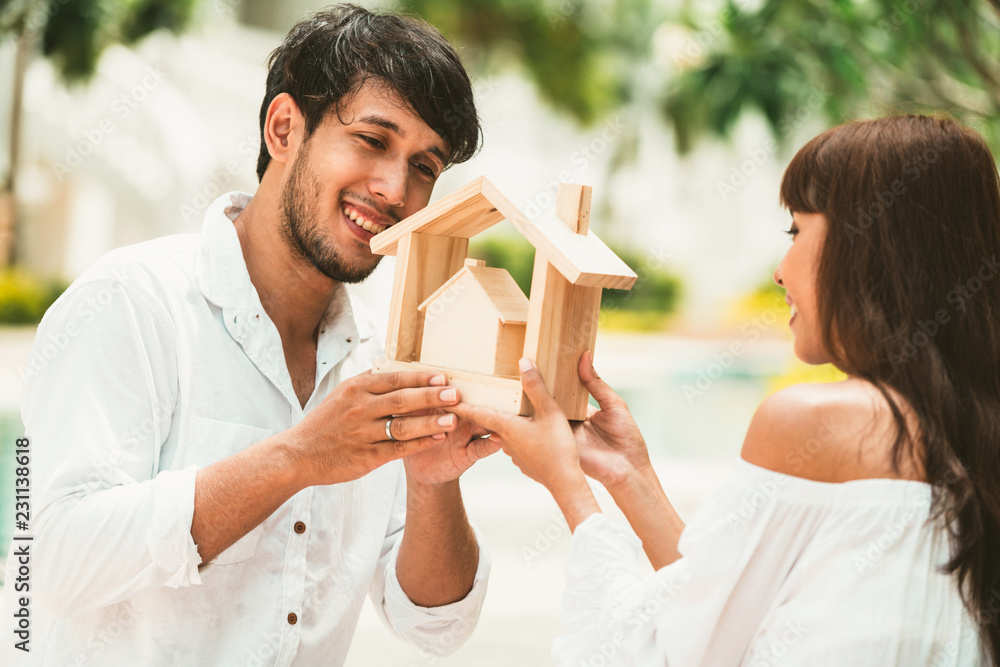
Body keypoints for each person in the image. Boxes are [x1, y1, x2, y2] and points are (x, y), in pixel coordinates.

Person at [1, 5, 501, 665]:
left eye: (424, 167)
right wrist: (297, 458)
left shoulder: (383, 359)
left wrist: (433, 480)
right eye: (373, 141)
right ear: (284, 127)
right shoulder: (130, 302)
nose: (393, 189)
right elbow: (52, 561)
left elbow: (435, 626)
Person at [451, 115, 1000, 665]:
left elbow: (664, 653)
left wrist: (567, 484)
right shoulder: (969, 433)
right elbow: (725, 616)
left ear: (871, 246)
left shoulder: (819, 420)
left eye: (797, 232)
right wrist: (629, 473)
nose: (781, 272)